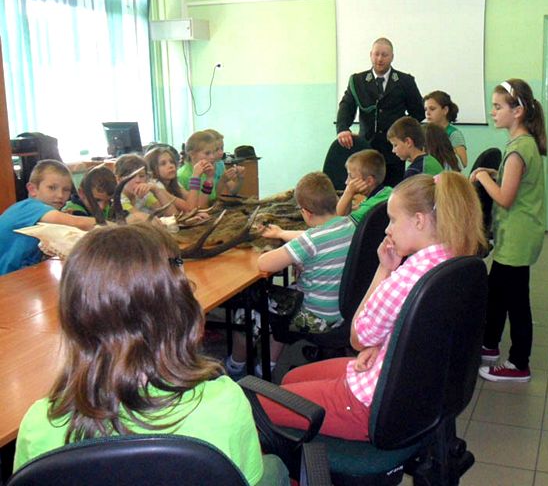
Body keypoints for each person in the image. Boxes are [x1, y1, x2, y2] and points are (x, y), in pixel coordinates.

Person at [11, 223, 288, 485]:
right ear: (182, 311)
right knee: (276, 467)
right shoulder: (224, 402)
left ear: (72, 318)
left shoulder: (39, 423)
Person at [255, 172, 485, 441]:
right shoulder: (452, 260)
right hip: (412, 391)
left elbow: (357, 338)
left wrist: (383, 269)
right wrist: (383, 346)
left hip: (368, 405)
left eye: (393, 220)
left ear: (419, 221)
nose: (387, 229)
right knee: (292, 380)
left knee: (258, 405)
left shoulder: (407, 277)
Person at [225, 172, 355, 378]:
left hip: (315, 316)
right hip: (342, 310)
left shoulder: (310, 241)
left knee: (248, 312)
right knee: (281, 299)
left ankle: (235, 365)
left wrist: (287, 245)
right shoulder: (348, 225)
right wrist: (281, 234)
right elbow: (311, 237)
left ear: (306, 212)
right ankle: (267, 366)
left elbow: (264, 263)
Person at [471, 79, 546, 383]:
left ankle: (519, 364)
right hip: (516, 234)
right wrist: (495, 173)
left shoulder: (519, 149)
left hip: (518, 236)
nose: (493, 112)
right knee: (497, 293)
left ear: (517, 111)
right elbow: (511, 180)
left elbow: (504, 197)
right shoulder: (521, 143)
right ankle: (489, 345)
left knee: (515, 301)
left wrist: (481, 177)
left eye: (498, 106)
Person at [336, 37, 425, 186]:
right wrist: (343, 128)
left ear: (392, 57)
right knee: (366, 192)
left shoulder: (405, 81)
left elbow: (418, 112)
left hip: (395, 152)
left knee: (393, 192)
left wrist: (403, 133)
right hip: (366, 149)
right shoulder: (357, 81)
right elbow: (346, 106)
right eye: (376, 54)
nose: (380, 59)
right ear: (370, 54)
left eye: (385, 55)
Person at [0, 160, 95, 276]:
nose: (60, 195)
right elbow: (77, 223)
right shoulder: (30, 207)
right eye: (52, 188)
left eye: (66, 190)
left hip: (21, 277)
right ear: (32, 189)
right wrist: (113, 226)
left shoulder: (43, 213)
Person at [145, 146, 210, 213]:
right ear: (152, 170)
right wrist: (195, 177)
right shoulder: (156, 185)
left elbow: (200, 206)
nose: (170, 166)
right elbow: (190, 209)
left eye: (172, 162)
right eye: (163, 164)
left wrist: (209, 178)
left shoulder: (174, 183)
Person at [336, 149, 392, 225]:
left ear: (369, 181)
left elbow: (340, 220)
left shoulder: (367, 209)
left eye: (351, 176)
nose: (347, 182)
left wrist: (348, 192)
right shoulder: (389, 191)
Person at [114, 154, 177, 222]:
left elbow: (172, 215)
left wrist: (156, 190)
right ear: (119, 179)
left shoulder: (143, 194)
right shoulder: (119, 199)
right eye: (131, 177)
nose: (138, 181)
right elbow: (141, 220)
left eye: (141, 176)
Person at [177, 130, 234, 203]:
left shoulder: (207, 171)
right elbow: (197, 207)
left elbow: (212, 198)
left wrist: (210, 178)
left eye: (213, 152)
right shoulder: (182, 176)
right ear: (192, 154)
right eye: (207, 153)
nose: (212, 157)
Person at [424, 90, 467, 168]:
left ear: (445, 110)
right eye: (425, 109)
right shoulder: (425, 133)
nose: (427, 113)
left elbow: (463, 162)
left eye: (432, 109)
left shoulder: (454, 134)